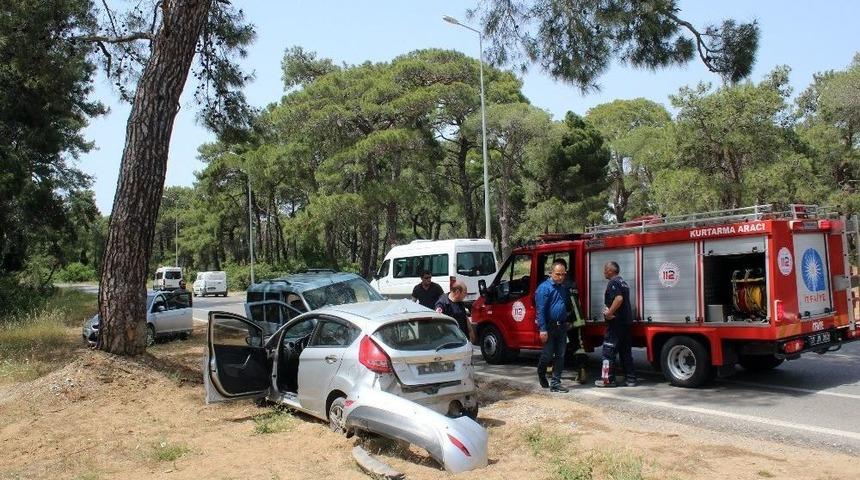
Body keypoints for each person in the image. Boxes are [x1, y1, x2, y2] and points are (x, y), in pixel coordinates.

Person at [595, 261, 636, 387]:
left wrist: (609, 313)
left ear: (611, 271)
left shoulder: (613, 282)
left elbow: (619, 299)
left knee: (608, 351)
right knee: (625, 352)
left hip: (616, 324)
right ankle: (630, 379)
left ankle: (608, 380)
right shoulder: (623, 282)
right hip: (625, 323)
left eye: (605, 269)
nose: (604, 272)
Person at [535, 259, 571, 392]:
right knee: (548, 354)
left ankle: (556, 383)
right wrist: (543, 330)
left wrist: (566, 320)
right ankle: (541, 371)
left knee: (561, 354)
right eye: (558, 274)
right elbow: (541, 310)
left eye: (563, 274)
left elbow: (563, 306)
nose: (560, 277)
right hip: (549, 327)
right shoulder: (544, 288)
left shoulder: (563, 288)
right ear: (551, 273)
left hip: (561, 326)